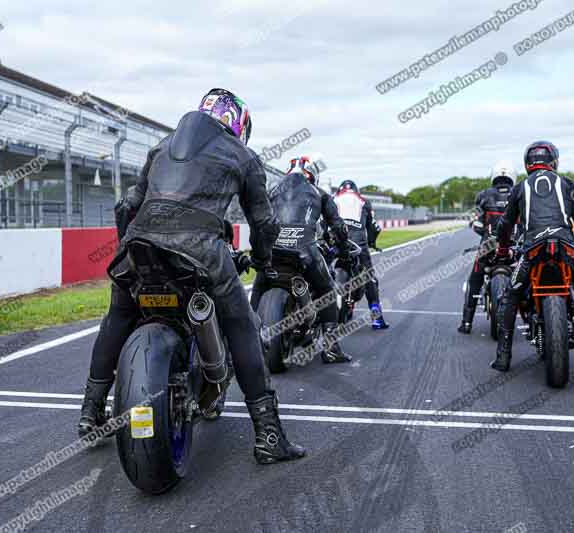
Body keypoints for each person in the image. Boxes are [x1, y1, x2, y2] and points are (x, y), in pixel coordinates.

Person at [78, 88, 305, 465]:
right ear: (238, 123)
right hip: (202, 252)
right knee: (243, 325)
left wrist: (127, 246)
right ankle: (268, 436)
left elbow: (126, 207)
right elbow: (264, 224)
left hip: (139, 249)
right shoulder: (244, 156)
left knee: (118, 316)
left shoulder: (161, 148)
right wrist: (265, 263)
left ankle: (90, 412)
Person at [492, 141, 574, 372]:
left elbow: (505, 226)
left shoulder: (519, 188)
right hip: (566, 247)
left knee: (511, 295)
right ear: (554, 161)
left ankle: (503, 357)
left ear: (528, 163)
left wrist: (501, 250)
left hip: (532, 250)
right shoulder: (569, 184)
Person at [250, 156, 353, 363]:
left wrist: (258, 250)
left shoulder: (272, 191)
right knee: (327, 290)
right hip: (304, 251)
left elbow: (257, 220)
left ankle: (246, 343)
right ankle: (331, 348)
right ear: (312, 177)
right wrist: (343, 250)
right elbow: (339, 227)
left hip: (272, 250)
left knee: (257, 291)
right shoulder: (320, 194)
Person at [458, 160, 517, 334]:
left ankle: (466, 323)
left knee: (474, 279)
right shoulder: (519, 193)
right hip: (515, 245)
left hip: (488, 245)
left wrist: (487, 235)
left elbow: (476, 224)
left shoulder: (483, 195)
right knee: (529, 278)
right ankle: (536, 321)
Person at [333, 180, 389, 329]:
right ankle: (377, 318)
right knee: (369, 277)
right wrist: (371, 243)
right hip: (358, 242)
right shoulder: (363, 201)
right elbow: (374, 228)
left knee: (324, 271)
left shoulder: (333, 199)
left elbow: (324, 223)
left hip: (337, 241)